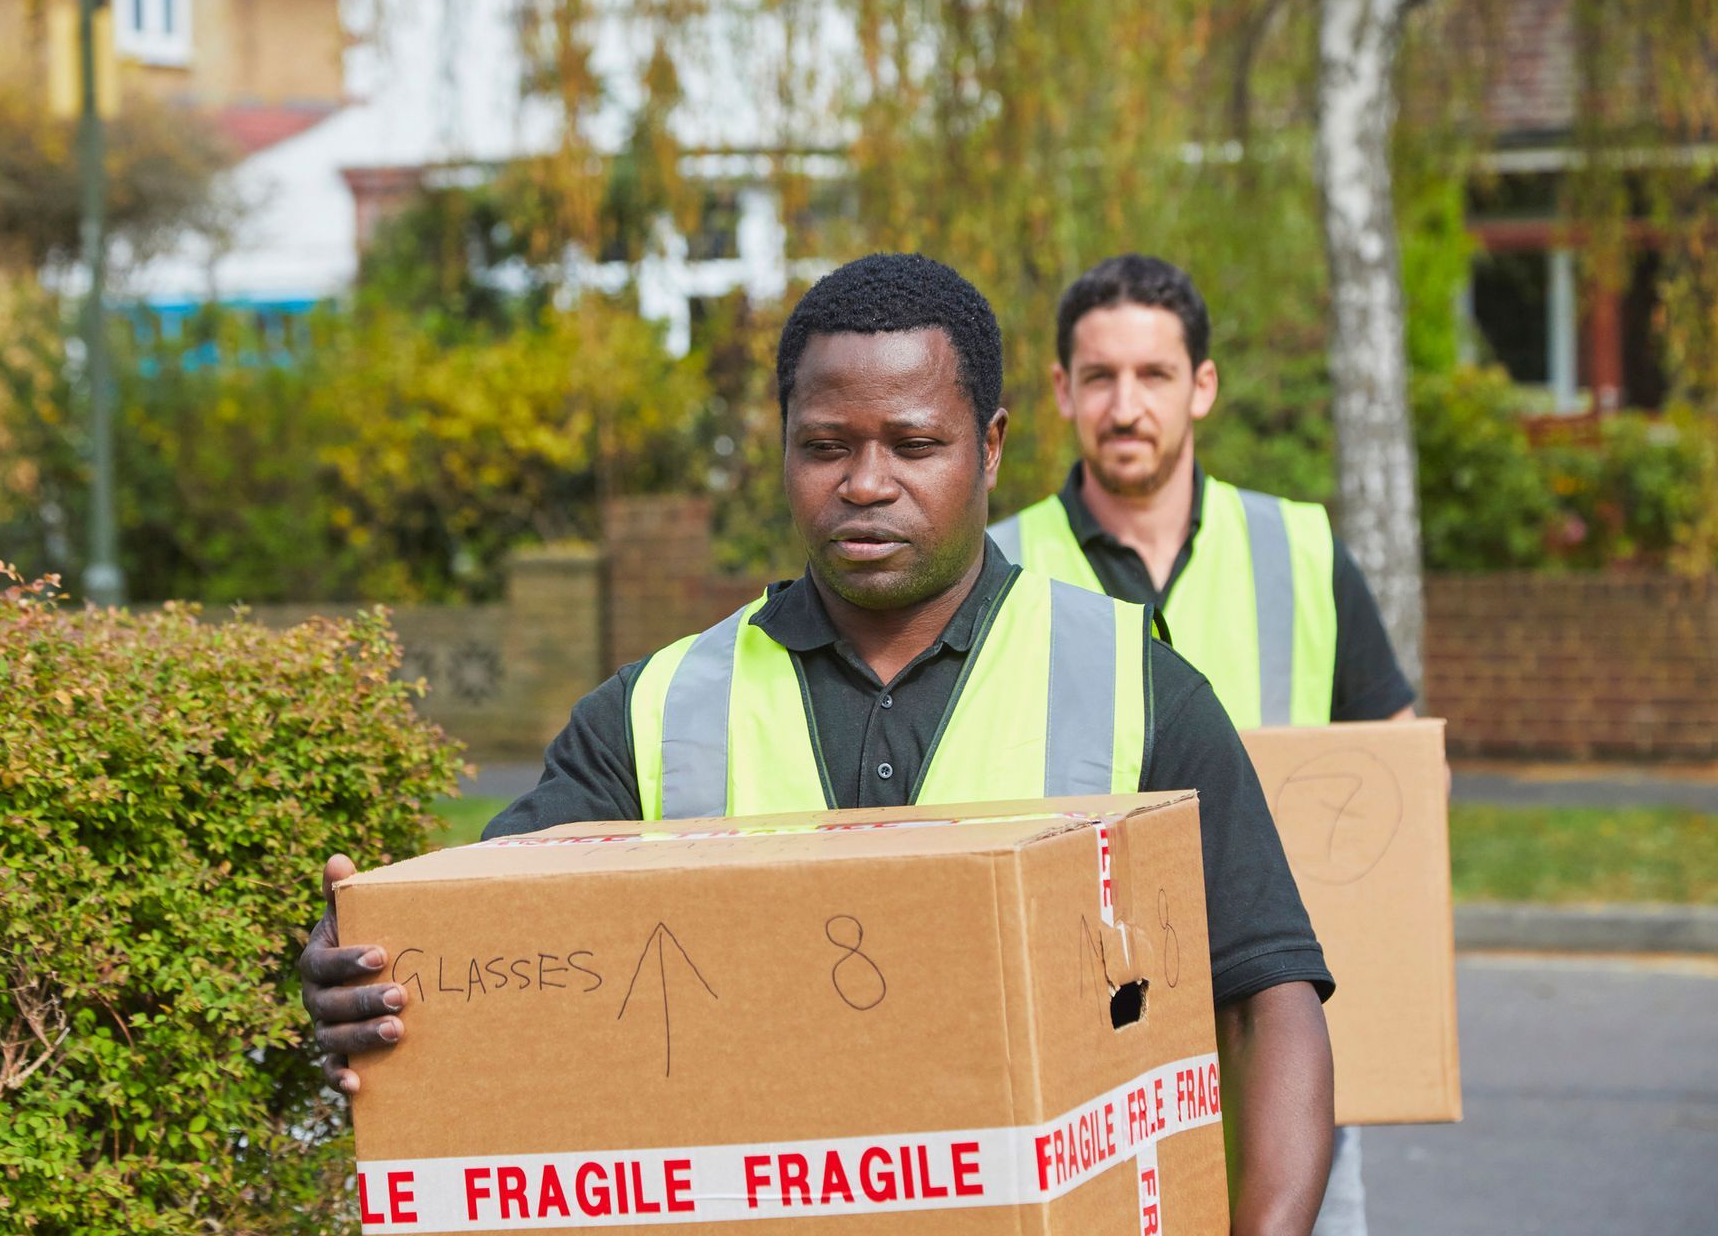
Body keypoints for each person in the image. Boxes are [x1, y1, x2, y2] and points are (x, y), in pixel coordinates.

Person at [302, 253, 1338, 1233]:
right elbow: (477, 949)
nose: (865, 482)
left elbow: (1267, 997)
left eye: (915, 444)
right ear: (785, 443)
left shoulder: (1133, 685)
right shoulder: (653, 712)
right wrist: (370, 968)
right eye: (827, 445)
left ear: (993, 444)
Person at [990, 253, 1417, 1236]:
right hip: (1086, 1088)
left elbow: (1393, 789)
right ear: (1061, 391)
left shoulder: (1303, 553)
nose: (1126, 404)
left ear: (1204, 386)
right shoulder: (996, 570)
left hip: (1283, 1051)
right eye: (1099, 377)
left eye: (1155, 375)